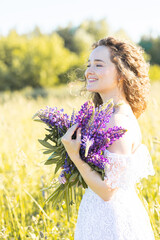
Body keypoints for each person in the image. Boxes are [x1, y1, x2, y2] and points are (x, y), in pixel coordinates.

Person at [58, 36, 156, 239]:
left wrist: (75, 157)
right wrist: (72, 170)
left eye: (98, 65)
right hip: (100, 215)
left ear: (121, 73)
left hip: (112, 222)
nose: (88, 71)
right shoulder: (108, 116)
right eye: (89, 64)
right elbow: (104, 174)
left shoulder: (118, 121)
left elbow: (107, 190)